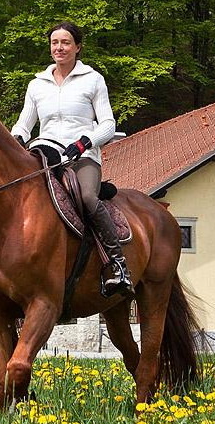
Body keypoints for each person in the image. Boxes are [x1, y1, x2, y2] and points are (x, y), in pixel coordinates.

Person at [11, 21, 132, 295]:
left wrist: (84, 143)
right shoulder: (37, 84)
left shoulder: (93, 79)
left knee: (88, 198)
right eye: (55, 42)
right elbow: (24, 124)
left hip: (82, 155)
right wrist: (15, 140)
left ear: (77, 47)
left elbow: (108, 125)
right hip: (44, 152)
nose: (59, 47)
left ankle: (118, 263)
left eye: (65, 42)